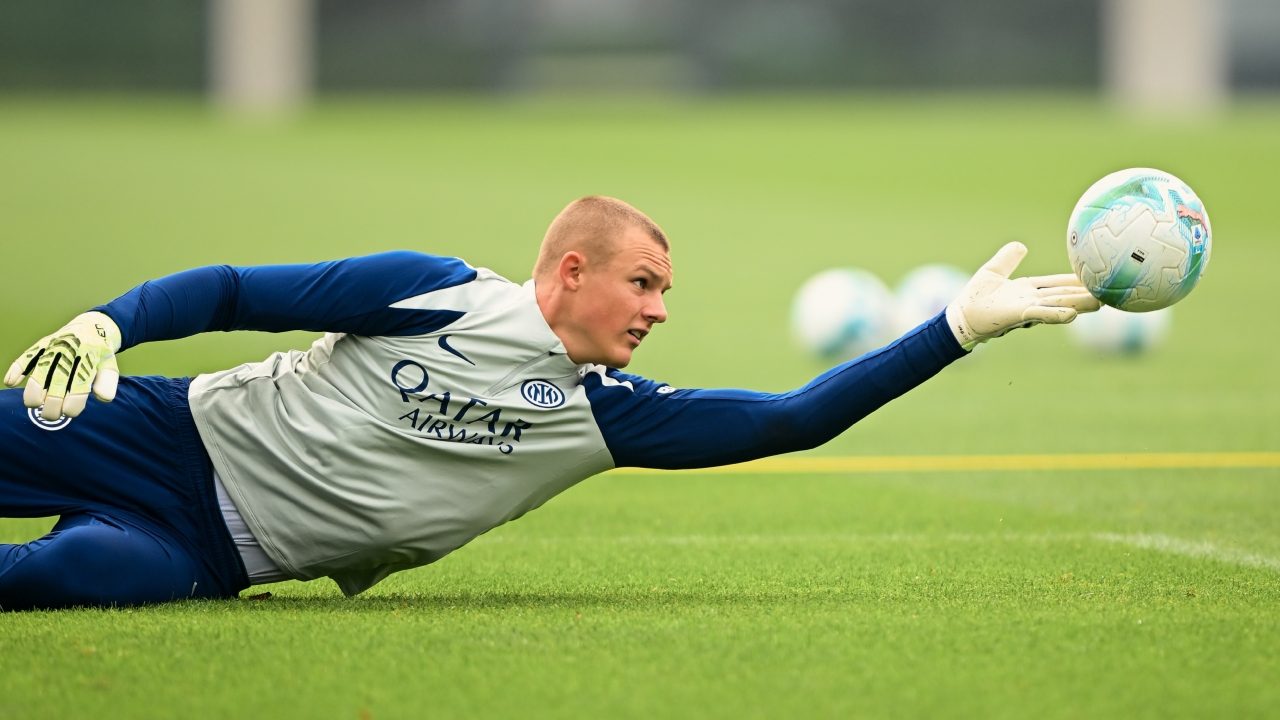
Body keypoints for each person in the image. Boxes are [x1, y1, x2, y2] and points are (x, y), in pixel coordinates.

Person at [0, 196, 1099, 610]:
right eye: (643, 284)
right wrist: (110, 322)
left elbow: (787, 419)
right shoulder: (429, 288)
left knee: (65, 582)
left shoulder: (608, 413)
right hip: (162, 425)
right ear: (570, 272)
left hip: (206, 549)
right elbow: (237, 294)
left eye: (664, 291)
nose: (660, 310)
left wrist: (956, 328)